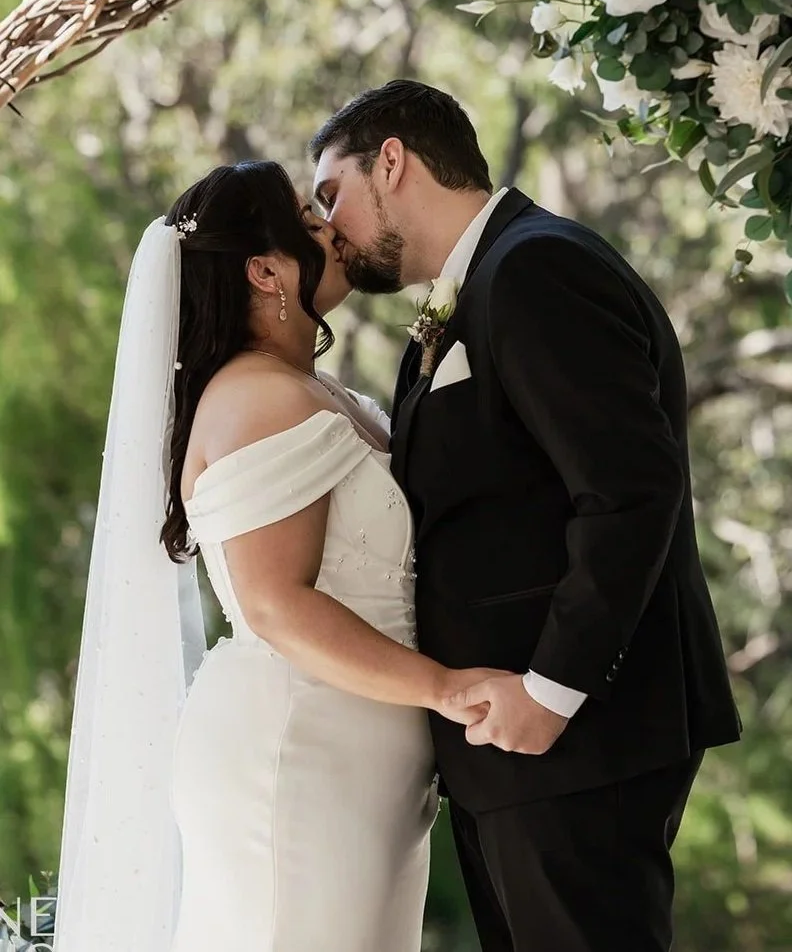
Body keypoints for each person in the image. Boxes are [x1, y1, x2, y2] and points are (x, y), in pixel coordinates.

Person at [310, 79, 742, 952]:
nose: (329, 227)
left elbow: (628, 488)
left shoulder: (538, 267)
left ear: (391, 162)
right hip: (511, 753)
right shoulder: (471, 293)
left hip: (578, 739)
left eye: (332, 194)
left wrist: (551, 691)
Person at [52, 159, 501, 952]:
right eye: (307, 214)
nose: (331, 226)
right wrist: (445, 687)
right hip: (296, 754)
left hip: (360, 761)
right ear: (264, 269)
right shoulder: (257, 399)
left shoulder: (314, 391)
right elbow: (275, 604)